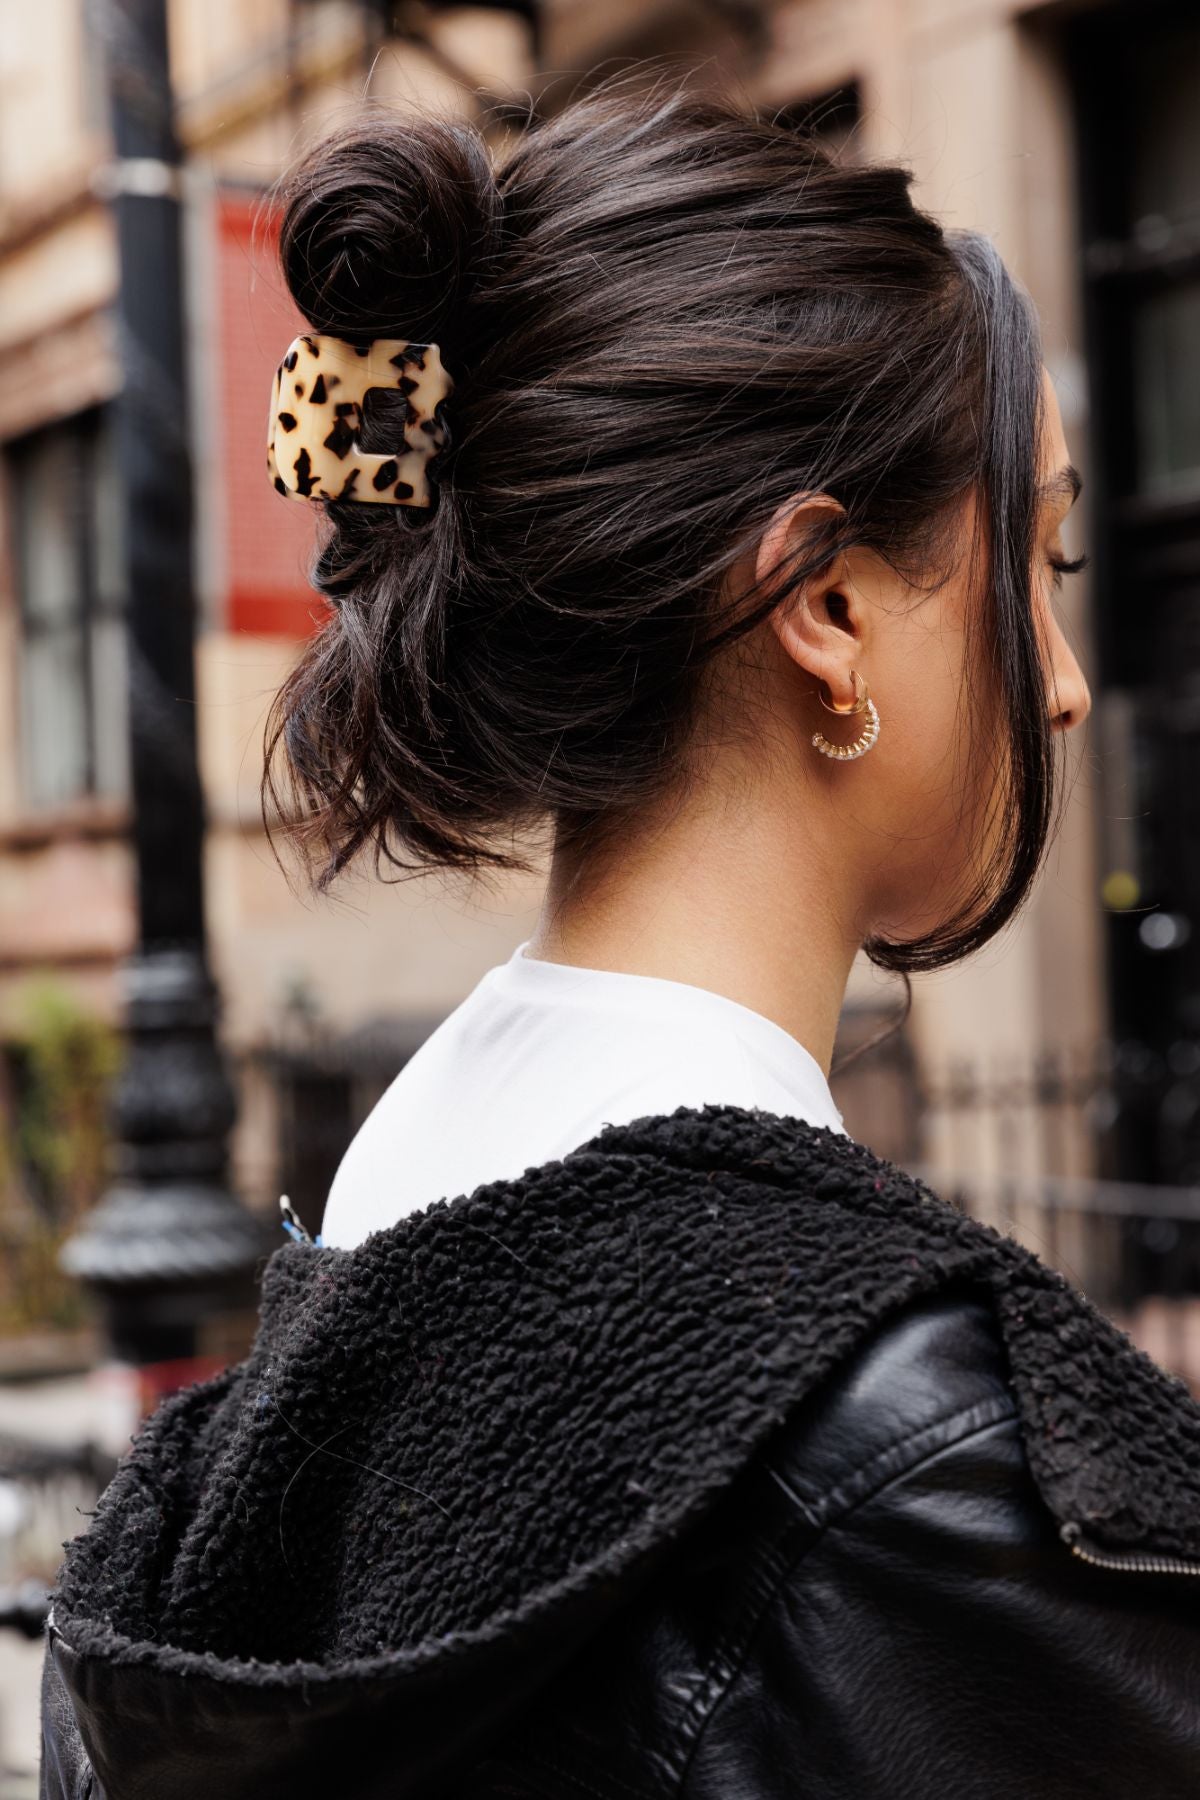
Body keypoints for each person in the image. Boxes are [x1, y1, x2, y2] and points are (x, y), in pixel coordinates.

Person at [40, 76, 1200, 1800]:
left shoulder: (399, 1195)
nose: (1069, 679)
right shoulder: (892, 1430)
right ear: (823, 605)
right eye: (1038, 563)